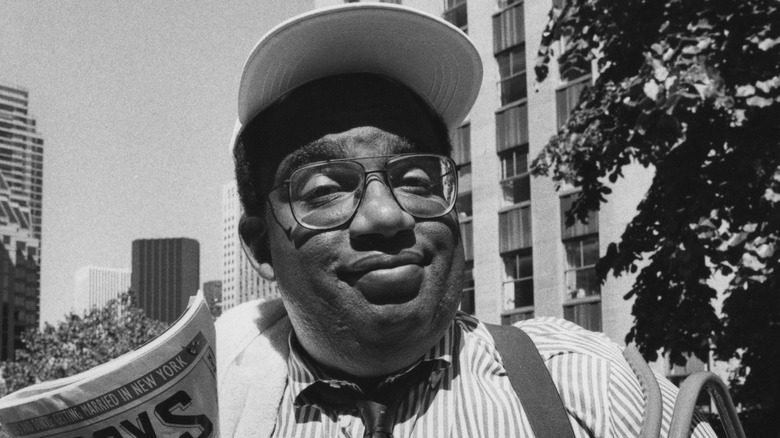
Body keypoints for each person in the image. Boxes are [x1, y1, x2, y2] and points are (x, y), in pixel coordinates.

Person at [216, 3, 717, 437]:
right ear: (261, 248)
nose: (386, 214)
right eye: (324, 189)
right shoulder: (208, 414)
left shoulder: (594, 387)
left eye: (416, 179)